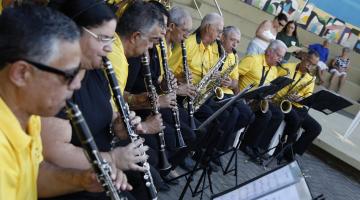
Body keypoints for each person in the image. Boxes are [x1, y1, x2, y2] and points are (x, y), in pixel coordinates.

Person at [41, 1, 154, 199]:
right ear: (73, 31)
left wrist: (117, 128)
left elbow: (107, 114)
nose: (110, 48)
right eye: (103, 39)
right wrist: (111, 159)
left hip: (98, 169)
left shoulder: (97, 72)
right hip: (70, 180)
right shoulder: (56, 80)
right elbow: (53, 151)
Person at [0, 5, 113, 199]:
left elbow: (34, 175)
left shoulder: (28, 114)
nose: (77, 84)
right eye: (69, 75)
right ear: (21, 73)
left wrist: (80, 180)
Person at [238, 40, 287, 160]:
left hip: (258, 100)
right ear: (270, 51)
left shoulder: (274, 70)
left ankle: (259, 146)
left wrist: (269, 95)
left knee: (278, 115)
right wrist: (238, 93)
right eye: (278, 56)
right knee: (266, 114)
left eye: (282, 57)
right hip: (244, 98)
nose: (280, 59)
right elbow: (235, 75)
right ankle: (246, 144)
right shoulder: (252, 60)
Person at [274, 50, 322, 161]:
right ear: (304, 57)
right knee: (295, 120)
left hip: (298, 105)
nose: (310, 66)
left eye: (313, 64)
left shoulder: (310, 78)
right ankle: (279, 149)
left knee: (316, 128)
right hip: (281, 101)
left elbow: (308, 95)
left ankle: (291, 151)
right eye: (309, 61)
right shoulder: (287, 67)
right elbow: (273, 84)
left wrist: (300, 98)